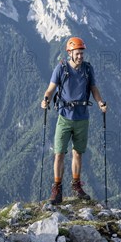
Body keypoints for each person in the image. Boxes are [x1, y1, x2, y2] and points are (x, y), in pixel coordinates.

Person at [41, 37, 107, 205]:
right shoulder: (61, 69)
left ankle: (76, 186)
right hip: (64, 117)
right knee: (59, 154)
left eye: (82, 53)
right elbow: (51, 88)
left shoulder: (88, 69)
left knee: (77, 153)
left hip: (82, 117)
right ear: (70, 53)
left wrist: (100, 103)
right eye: (77, 53)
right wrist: (46, 99)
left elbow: (94, 89)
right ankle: (57, 189)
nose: (80, 56)